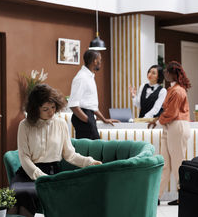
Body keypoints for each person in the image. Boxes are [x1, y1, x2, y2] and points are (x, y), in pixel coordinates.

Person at [11, 84, 102, 215]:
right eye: (45, 109)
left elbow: (70, 154)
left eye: (53, 107)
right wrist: (38, 175)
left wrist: (89, 162)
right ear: (35, 109)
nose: (51, 112)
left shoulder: (61, 124)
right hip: (27, 172)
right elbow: (24, 156)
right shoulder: (24, 125)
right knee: (16, 195)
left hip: (51, 173)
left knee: (26, 195)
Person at [148, 61, 191, 206]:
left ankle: (184, 196)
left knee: (179, 163)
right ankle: (157, 196)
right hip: (170, 126)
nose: (165, 73)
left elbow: (172, 113)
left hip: (177, 126)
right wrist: (158, 120)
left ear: (174, 73)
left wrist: (157, 121)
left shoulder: (178, 91)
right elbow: (168, 112)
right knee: (164, 164)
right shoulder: (173, 89)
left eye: (167, 71)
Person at [68, 50, 119, 139]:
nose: (101, 62)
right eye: (100, 60)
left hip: (88, 116)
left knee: (93, 149)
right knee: (91, 150)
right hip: (83, 117)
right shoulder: (81, 77)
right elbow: (73, 105)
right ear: (95, 61)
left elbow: (92, 106)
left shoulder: (89, 76)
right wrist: (88, 120)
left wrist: (104, 119)